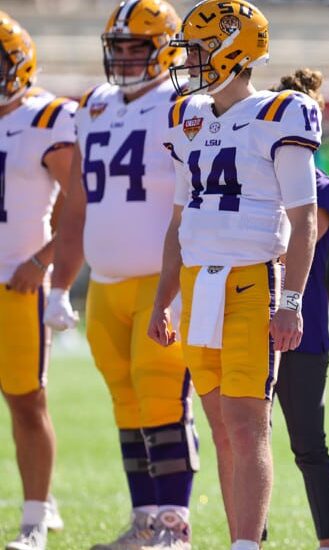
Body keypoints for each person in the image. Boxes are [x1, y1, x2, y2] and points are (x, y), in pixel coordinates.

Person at [147, 1, 320, 549]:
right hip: (198, 284)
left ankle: (247, 544)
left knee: (247, 426)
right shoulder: (186, 116)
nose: (190, 61)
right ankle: (240, 540)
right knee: (222, 429)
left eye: (200, 49)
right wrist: (162, 299)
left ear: (232, 50)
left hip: (252, 281)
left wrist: (290, 301)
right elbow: (179, 220)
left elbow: (304, 217)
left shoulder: (281, 112)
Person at [44, 1, 200, 547]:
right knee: (126, 404)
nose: (128, 58)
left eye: (139, 47)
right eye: (120, 48)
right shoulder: (93, 105)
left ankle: (175, 525)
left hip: (162, 280)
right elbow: (77, 204)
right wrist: (59, 285)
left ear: (165, 48)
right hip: (106, 284)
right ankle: (146, 520)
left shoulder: (184, 104)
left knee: (162, 398)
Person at [0, 12, 73, 550]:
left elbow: (83, 201)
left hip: (16, 282)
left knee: (26, 401)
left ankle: (33, 521)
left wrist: (43, 259)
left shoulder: (47, 117)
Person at [269, 68, 329, 550]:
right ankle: (249, 538)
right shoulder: (256, 179)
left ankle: (328, 543)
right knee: (245, 441)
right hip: (248, 317)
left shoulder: (322, 187)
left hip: (302, 329)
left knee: (309, 445)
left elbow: (293, 245)